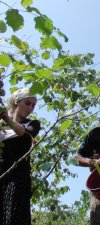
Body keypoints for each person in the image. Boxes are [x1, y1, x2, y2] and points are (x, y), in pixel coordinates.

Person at [0, 88, 41, 225]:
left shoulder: (33, 124)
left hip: (18, 178)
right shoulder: (1, 124)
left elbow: (23, 133)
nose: (30, 108)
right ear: (17, 102)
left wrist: (7, 119)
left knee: (14, 217)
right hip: (1, 174)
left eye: (33, 105)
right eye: (27, 103)